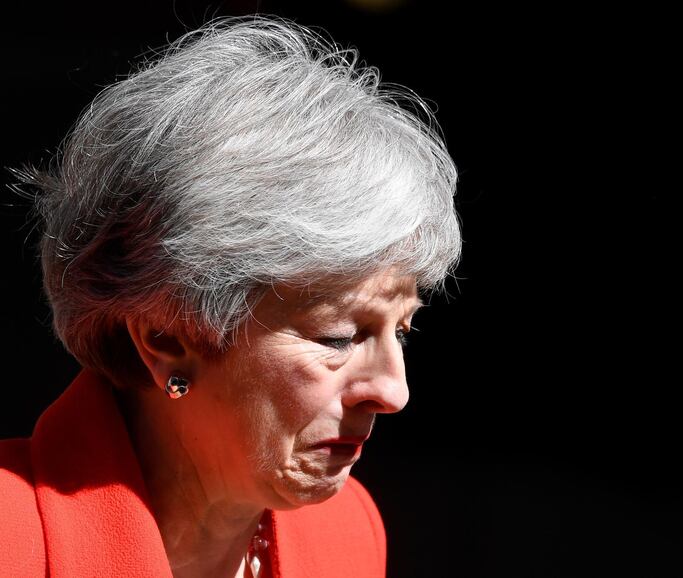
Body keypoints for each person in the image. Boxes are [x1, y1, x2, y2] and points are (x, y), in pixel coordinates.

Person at [0, 16, 461, 578]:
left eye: (402, 330)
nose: (394, 391)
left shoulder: (346, 532)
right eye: (337, 336)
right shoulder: (13, 537)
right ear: (167, 337)